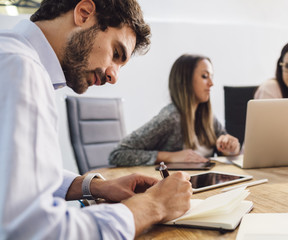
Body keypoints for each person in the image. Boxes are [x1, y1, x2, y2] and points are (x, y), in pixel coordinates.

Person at [0, 0, 192, 239]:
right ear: (84, 13)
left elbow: (14, 175)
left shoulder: (10, 56)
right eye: (116, 53)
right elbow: (32, 230)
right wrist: (153, 206)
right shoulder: (21, 69)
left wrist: (94, 186)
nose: (114, 76)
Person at [109, 54, 241, 166]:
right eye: (205, 76)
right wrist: (169, 157)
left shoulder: (208, 117)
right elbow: (117, 154)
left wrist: (232, 148)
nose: (211, 83)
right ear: (186, 81)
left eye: (211, 76)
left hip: (207, 183)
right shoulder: (171, 117)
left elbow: (225, 150)